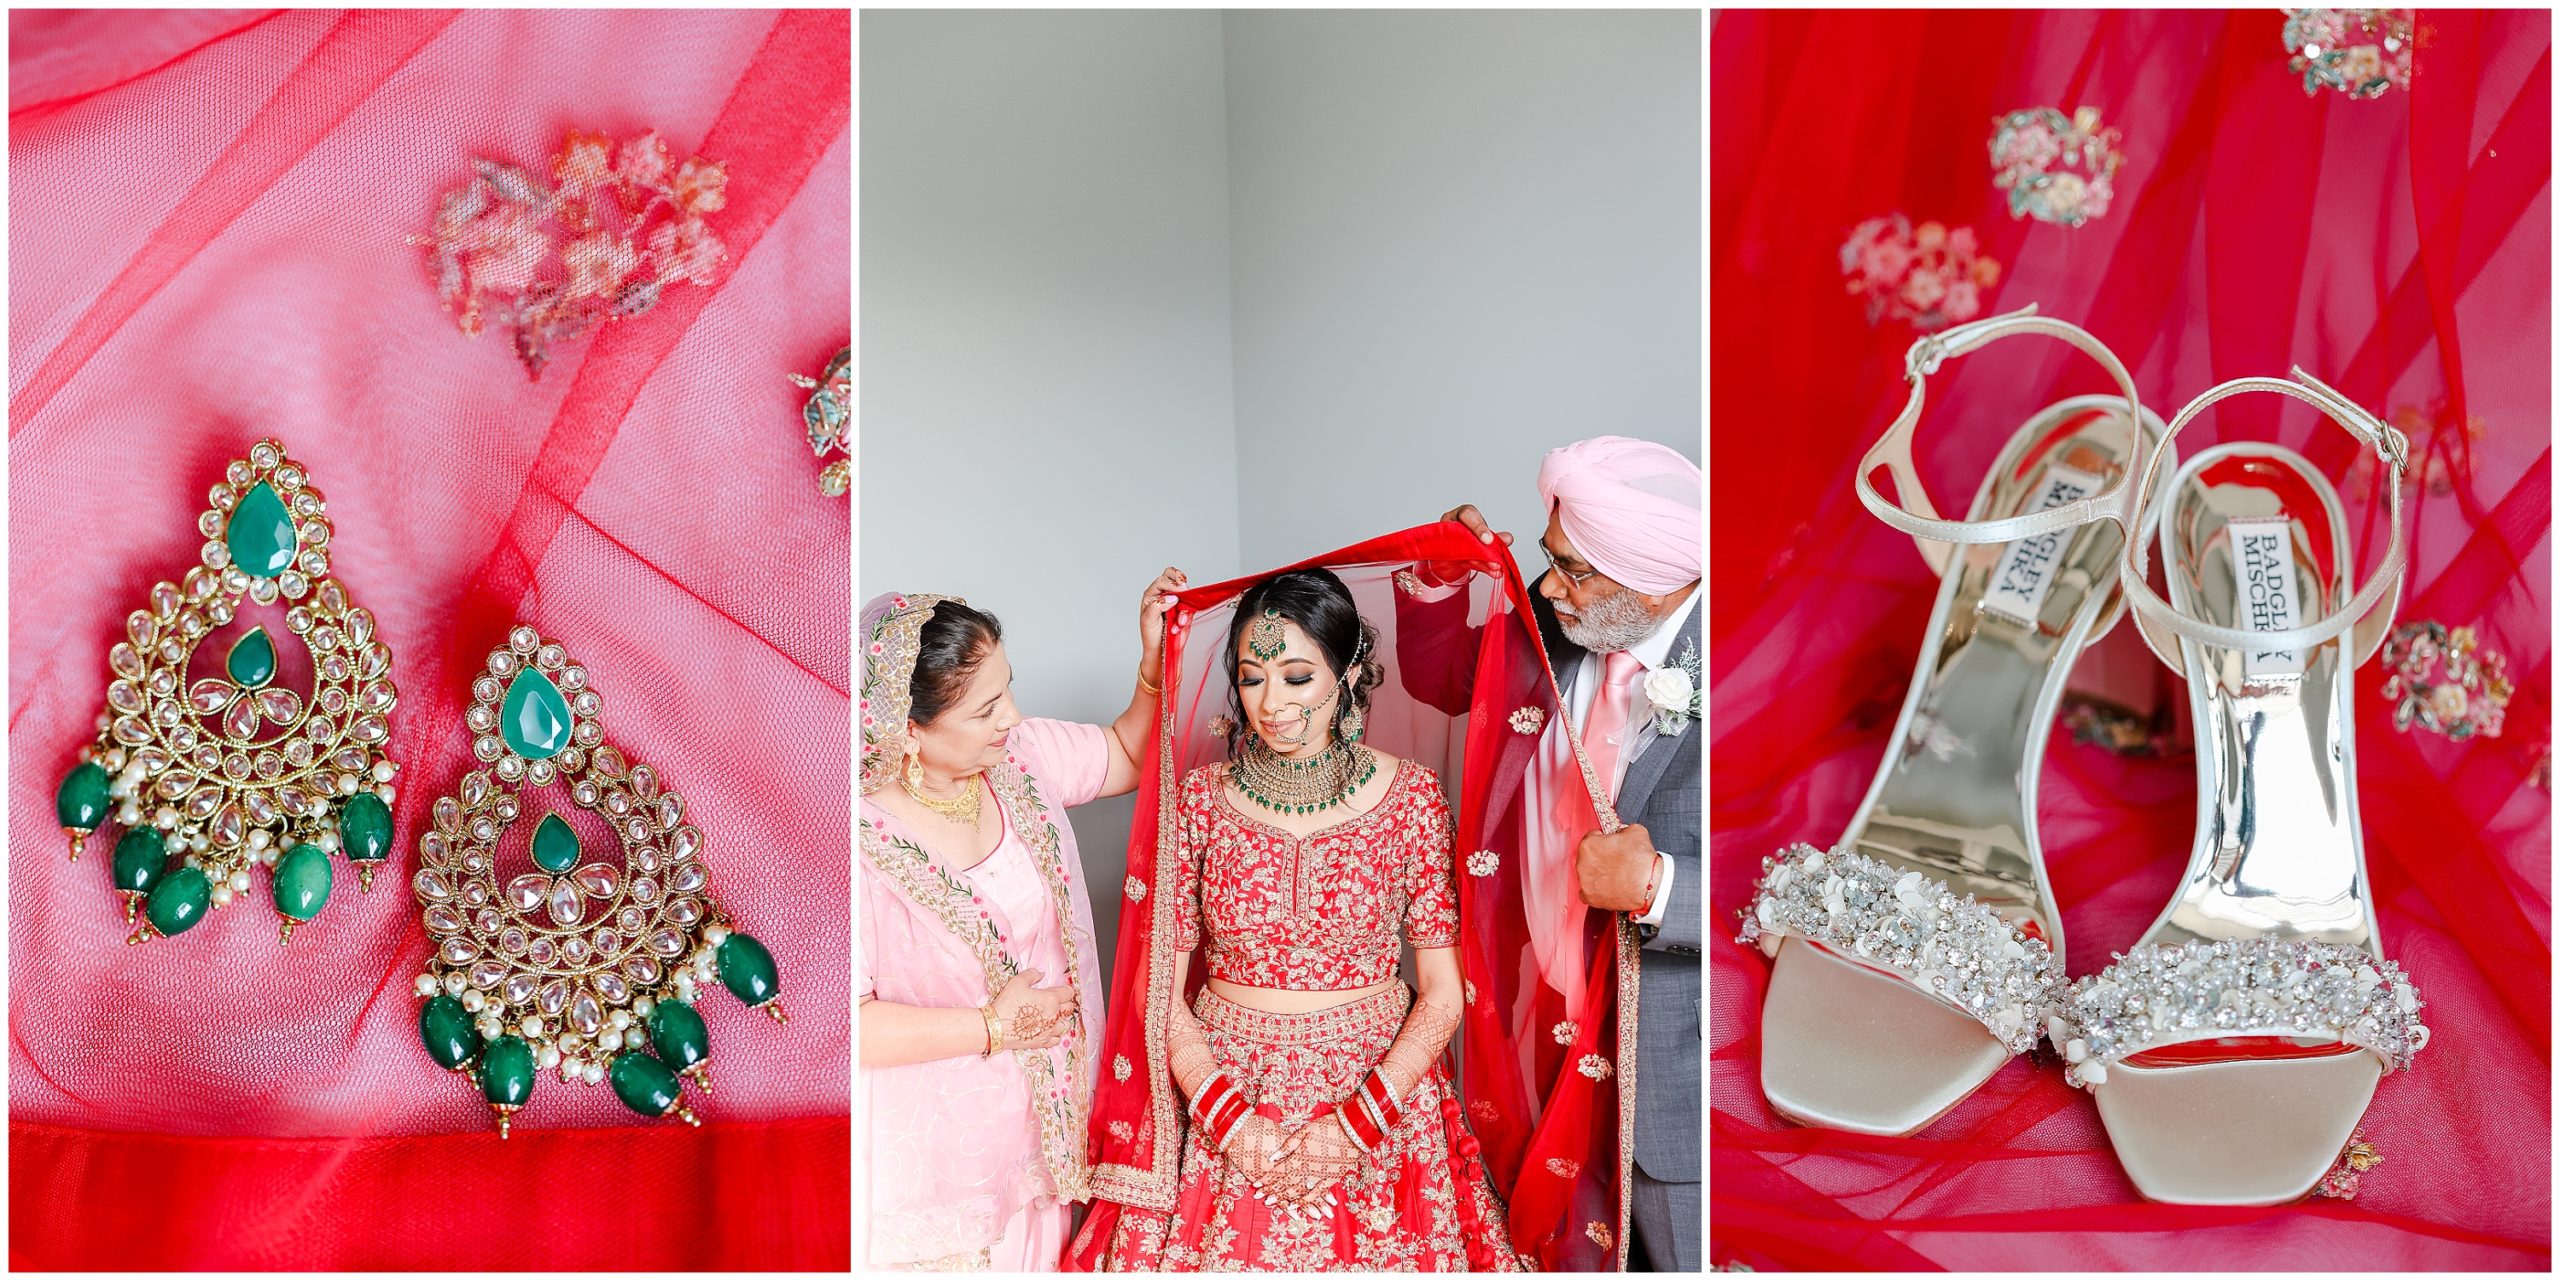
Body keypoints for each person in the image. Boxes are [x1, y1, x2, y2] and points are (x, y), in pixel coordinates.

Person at [1069, 568, 1526, 1272]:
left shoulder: (1410, 799)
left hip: (1375, 1100)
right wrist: (1231, 1120)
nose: (1272, 704)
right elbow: (1155, 984)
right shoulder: (1201, 800)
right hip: (1226, 1093)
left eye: (1296, 677)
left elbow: (1441, 991)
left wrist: (1357, 1123)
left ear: (1347, 673)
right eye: (1252, 678)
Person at [855, 571, 1183, 1271]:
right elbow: (850, 1023)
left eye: (1008, 688)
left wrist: (1151, 669)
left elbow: (1128, 753)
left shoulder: (1020, 758)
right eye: (983, 708)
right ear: (907, 729)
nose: (1010, 715)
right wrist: (994, 1026)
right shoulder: (859, 842)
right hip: (942, 1175)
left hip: (1050, 1137)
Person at [1437, 435, 1702, 1271]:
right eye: (1551, 560)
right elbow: (1443, 684)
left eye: (1574, 569)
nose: (1550, 586)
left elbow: (1808, 873)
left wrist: (1661, 886)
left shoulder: (1747, 662)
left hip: (1669, 1067)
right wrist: (1439, 583)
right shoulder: (1556, 627)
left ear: (1661, 579)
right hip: (1537, 1033)